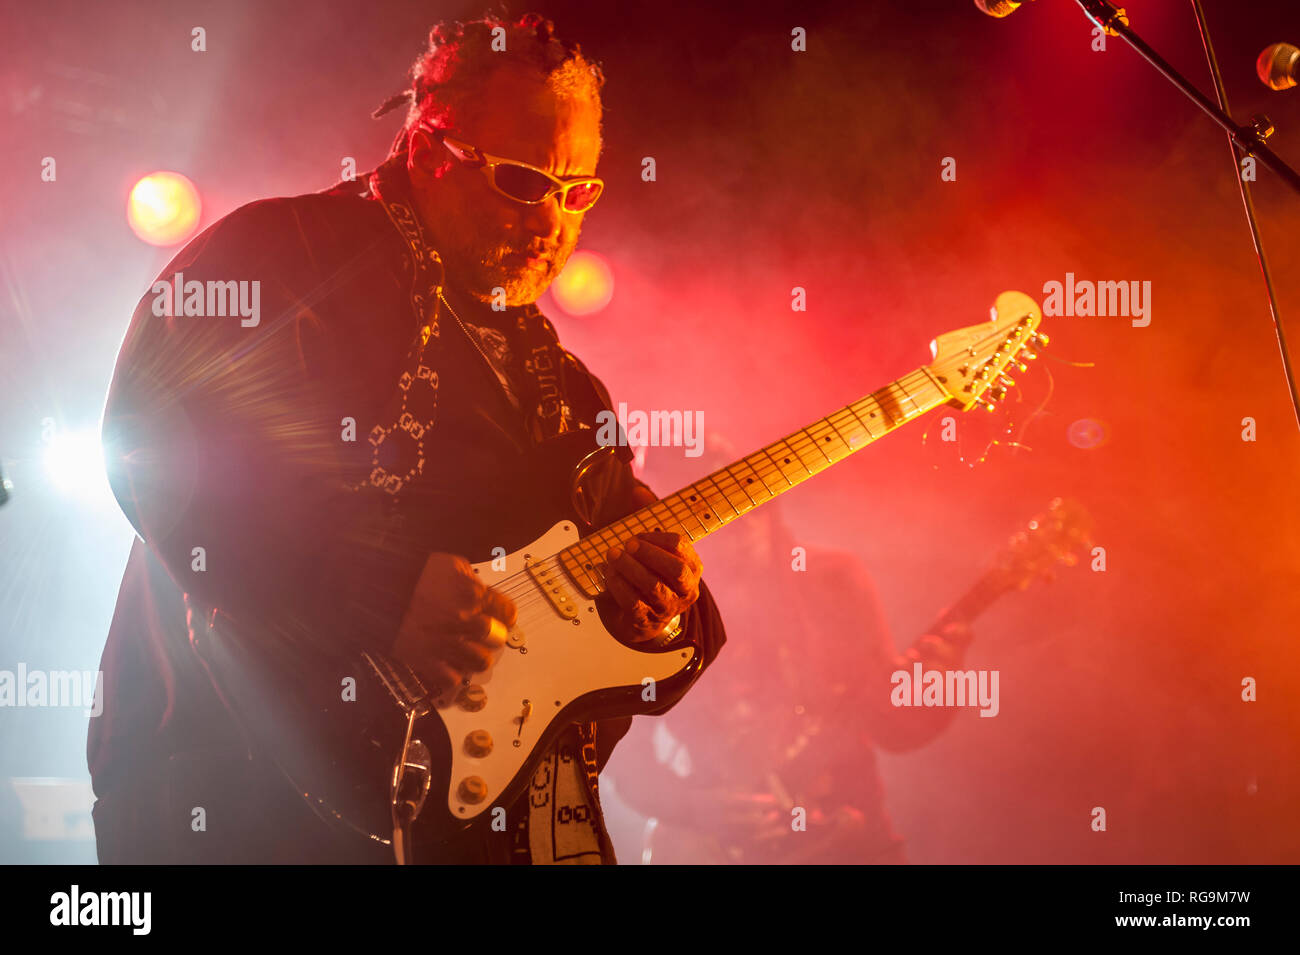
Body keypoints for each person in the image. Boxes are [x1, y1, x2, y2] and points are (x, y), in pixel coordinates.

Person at [89, 12, 725, 865]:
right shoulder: (283, 255)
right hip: (242, 808)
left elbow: (601, 658)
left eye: (577, 193)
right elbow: (155, 449)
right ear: (430, 146)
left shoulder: (569, 389)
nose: (554, 222)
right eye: (524, 181)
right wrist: (380, 593)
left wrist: (656, 610)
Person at [606, 436, 973, 864]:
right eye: (704, 518)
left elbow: (890, 726)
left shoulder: (834, 580)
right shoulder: (657, 609)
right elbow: (626, 757)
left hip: (851, 842)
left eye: (740, 505)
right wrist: (696, 808)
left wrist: (939, 687)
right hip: (721, 848)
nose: (732, 524)